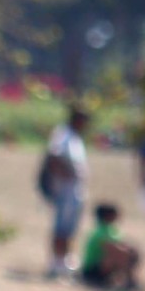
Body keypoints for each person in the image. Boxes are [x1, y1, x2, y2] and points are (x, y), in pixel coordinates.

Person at [40, 107, 90, 278]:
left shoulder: (75, 137)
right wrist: (65, 176)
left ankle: (65, 259)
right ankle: (56, 262)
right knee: (61, 226)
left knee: (70, 227)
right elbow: (53, 157)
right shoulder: (63, 135)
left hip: (74, 188)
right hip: (65, 189)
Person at [80, 203, 140, 290]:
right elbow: (113, 248)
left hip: (102, 267)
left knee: (128, 252)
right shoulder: (99, 232)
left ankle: (127, 280)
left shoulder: (112, 230)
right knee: (119, 255)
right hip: (91, 271)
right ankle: (129, 280)